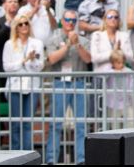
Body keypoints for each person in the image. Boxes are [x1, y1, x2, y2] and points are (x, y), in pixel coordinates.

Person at [45, 9, 91, 165]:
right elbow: (51, 59)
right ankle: (51, 159)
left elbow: (88, 59)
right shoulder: (54, 38)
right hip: (60, 82)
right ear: (62, 21)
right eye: (67, 20)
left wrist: (77, 43)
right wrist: (67, 46)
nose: (70, 23)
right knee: (55, 123)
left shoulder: (83, 40)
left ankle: (81, 159)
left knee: (81, 124)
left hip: (79, 82)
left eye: (73, 20)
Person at [2, 14, 45, 150]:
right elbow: (6, 67)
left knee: (27, 122)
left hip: (32, 86)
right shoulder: (9, 44)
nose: (24, 26)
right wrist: (23, 61)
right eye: (20, 24)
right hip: (15, 86)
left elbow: (40, 66)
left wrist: (31, 60)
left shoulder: (37, 43)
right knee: (15, 123)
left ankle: (26, 154)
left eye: (26, 23)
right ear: (16, 27)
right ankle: (15, 154)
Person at [106, 49, 134, 129]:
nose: (121, 64)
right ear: (113, 63)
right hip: (113, 103)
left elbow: (131, 85)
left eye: (122, 62)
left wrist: (131, 97)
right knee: (115, 125)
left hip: (127, 102)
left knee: (130, 122)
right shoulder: (108, 72)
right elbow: (104, 80)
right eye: (118, 62)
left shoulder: (129, 71)